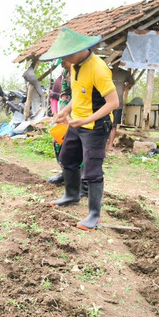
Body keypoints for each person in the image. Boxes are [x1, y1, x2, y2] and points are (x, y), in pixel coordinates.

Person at [40, 28, 119, 230]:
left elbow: (113, 103)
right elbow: (79, 95)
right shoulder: (75, 67)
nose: (65, 61)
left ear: (78, 50)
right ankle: (71, 195)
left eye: (66, 56)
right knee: (67, 158)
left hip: (96, 126)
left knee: (92, 170)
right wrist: (65, 112)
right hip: (77, 122)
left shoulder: (99, 69)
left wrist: (86, 120)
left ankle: (94, 215)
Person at [47, 62, 71, 185]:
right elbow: (64, 94)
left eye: (64, 61)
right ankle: (65, 172)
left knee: (78, 143)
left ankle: (82, 176)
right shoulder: (65, 72)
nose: (62, 64)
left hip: (85, 111)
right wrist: (61, 112)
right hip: (68, 109)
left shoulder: (85, 69)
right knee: (58, 140)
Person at [106, 66, 135, 152]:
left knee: (114, 125)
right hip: (106, 103)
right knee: (104, 124)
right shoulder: (107, 71)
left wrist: (124, 88)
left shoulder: (124, 73)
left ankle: (110, 146)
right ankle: (102, 145)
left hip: (118, 103)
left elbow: (132, 82)